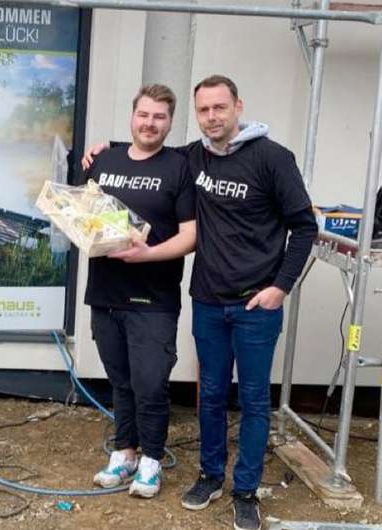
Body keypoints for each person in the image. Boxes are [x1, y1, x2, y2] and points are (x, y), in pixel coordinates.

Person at [83, 75, 317, 530]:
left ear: (238, 107)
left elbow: (304, 226)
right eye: (204, 110)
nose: (212, 117)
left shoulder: (273, 159)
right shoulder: (194, 156)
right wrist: (105, 146)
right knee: (209, 395)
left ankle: (245, 490)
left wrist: (281, 286)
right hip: (208, 299)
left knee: (253, 400)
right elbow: (147, 147)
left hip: (256, 303)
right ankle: (210, 476)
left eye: (219, 108)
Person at [85, 84, 196, 498]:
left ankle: (151, 461)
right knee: (121, 382)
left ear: (170, 122)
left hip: (154, 298)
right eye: (143, 115)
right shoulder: (104, 161)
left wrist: (148, 255)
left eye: (159, 117)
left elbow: (191, 236)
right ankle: (125, 452)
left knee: (150, 384)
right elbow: (82, 214)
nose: (150, 123)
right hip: (105, 293)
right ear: (132, 116)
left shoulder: (179, 167)